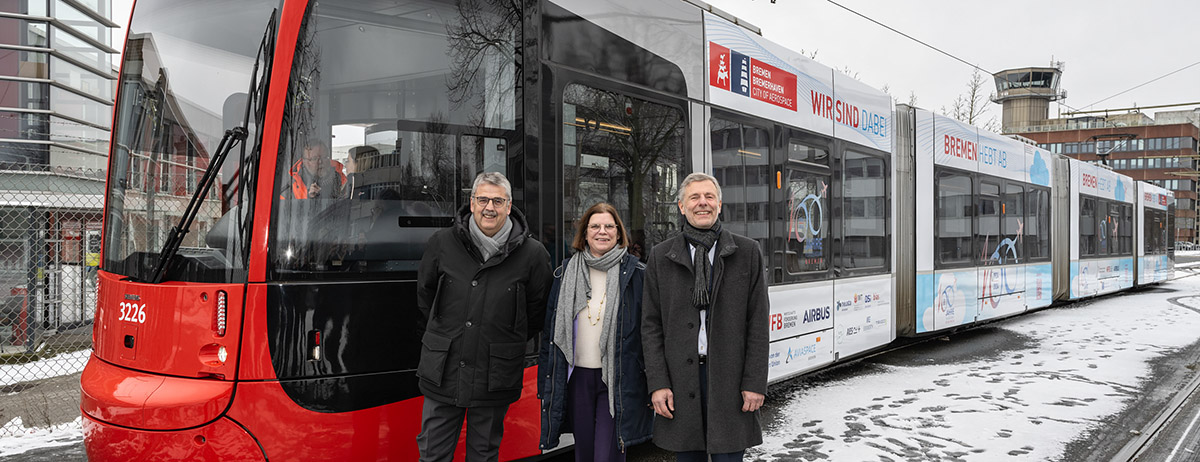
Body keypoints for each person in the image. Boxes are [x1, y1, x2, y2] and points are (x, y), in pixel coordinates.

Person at [415, 171, 552, 462]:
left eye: (498, 201)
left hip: (495, 373)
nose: (490, 207)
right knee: (432, 453)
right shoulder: (442, 242)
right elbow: (425, 298)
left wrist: (501, 338)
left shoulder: (533, 254)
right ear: (472, 202)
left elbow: (536, 312)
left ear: (509, 205)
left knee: (484, 454)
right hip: (443, 369)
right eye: (483, 200)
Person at [641, 172, 769, 461]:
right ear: (681, 206)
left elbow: (758, 324)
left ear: (720, 204)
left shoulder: (747, 252)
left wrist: (754, 382)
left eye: (709, 197)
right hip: (680, 379)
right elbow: (650, 327)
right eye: (694, 197)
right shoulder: (661, 257)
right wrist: (658, 383)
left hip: (731, 379)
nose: (703, 203)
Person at [538, 203, 653, 461]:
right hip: (576, 378)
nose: (602, 232)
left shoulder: (637, 275)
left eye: (609, 226)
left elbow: (649, 333)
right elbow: (550, 333)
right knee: (584, 453)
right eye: (595, 226)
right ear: (585, 233)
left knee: (607, 455)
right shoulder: (565, 272)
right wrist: (544, 383)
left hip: (616, 379)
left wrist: (652, 384)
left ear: (619, 233)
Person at [281, 140, 346, 199]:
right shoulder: (290, 187)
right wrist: (309, 200)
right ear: (304, 161)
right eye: (314, 159)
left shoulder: (341, 179)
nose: (320, 162)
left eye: (324, 157)